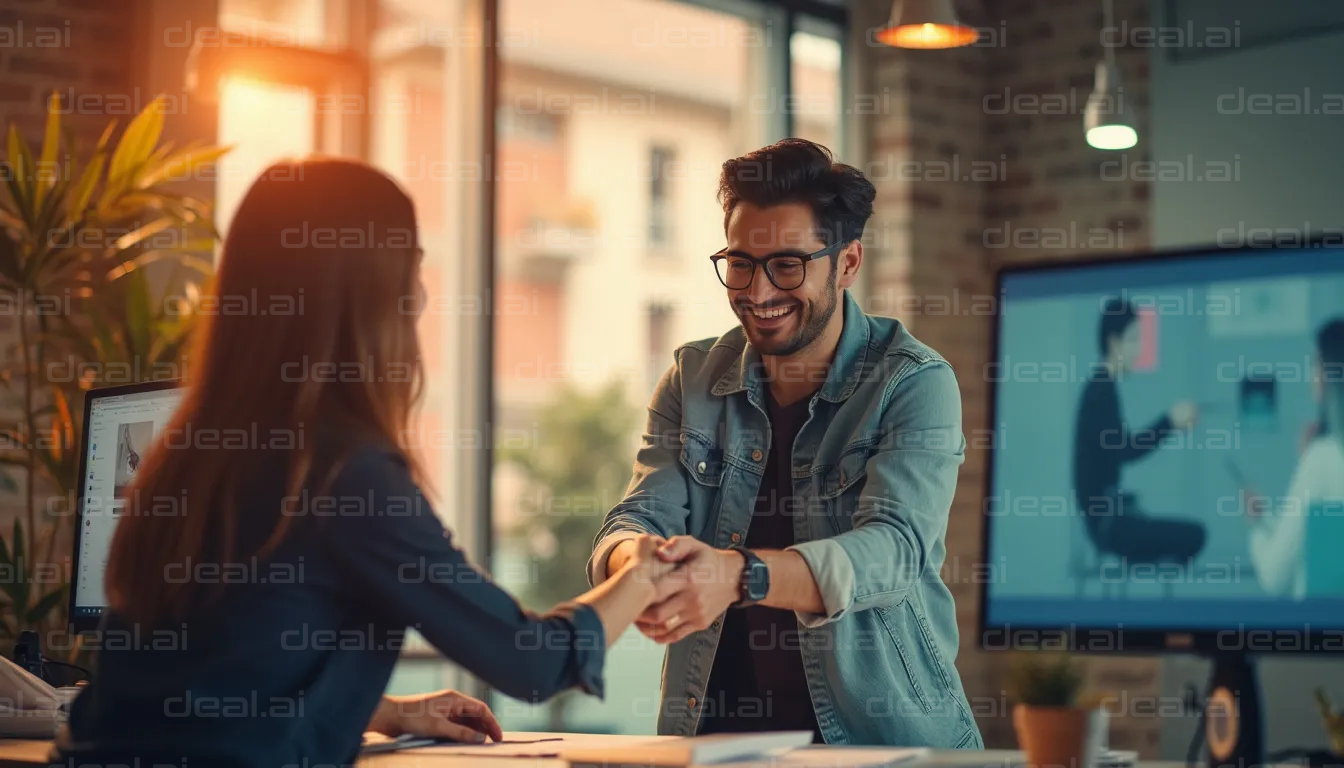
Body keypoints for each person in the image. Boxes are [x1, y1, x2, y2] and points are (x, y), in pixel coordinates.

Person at [58, 158, 677, 767]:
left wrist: (386, 712)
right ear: (372, 297)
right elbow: (534, 661)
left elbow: (208, 682)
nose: (422, 295)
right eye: (412, 269)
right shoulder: (343, 474)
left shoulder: (188, 457)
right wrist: (642, 573)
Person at [587, 139, 981, 748]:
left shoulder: (913, 381)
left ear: (847, 263)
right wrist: (635, 563)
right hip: (714, 742)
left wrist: (739, 575)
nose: (758, 292)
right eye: (741, 263)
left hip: (882, 743)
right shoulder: (692, 380)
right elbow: (637, 518)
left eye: (788, 266)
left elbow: (894, 553)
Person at [1072, 298, 1206, 564]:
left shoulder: (1102, 387)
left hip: (1111, 519)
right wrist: (1170, 421)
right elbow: (1124, 450)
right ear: (1113, 342)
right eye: (1133, 340)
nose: (1138, 349)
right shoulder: (1100, 390)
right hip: (1109, 527)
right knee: (1195, 535)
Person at [1245, 319, 1344, 598]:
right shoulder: (1321, 459)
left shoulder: (1322, 459)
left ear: (1330, 373)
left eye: (1315, 363)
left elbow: (1275, 576)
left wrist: (1255, 526)